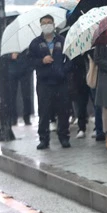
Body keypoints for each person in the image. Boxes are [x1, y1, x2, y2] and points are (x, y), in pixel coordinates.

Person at [29, 15, 71, 150]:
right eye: (44, 23)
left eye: (49, 22)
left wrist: (63, 71)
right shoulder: (35, 43)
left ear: (54, 24)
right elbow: (29, 62)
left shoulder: (62, 40)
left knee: (63, 111)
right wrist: (42, 61)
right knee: (44, 111)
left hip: (61, 81)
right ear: (40, 26)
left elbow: (70, 59)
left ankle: (64, 136)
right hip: (44, 82)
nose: (47, 25)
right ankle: (43, 138)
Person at [5, 51, 34, 126]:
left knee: (26, 95)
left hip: (25, 71)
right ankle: (13, 118)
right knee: (12, 96)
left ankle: (27, 117)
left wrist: (30, 68)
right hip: (12, 70)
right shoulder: (10, 46)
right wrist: (10, 56)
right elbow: (3, 56)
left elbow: (32, 55)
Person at [68, 55, 90, 139]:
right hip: (80, 80)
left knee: (96, 103)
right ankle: (81, 128)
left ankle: (98, 127)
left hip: (92, 77)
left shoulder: (91, 50)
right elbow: (71, 66)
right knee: (81, 105)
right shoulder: (75, 55)